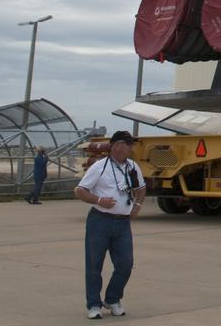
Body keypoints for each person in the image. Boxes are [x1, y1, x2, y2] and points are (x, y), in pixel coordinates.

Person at [76, 130, 146, 319]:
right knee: (94, 265)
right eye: (123, 144)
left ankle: (112, 299)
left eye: (129, 145)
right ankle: (93, 304)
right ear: (113, 146)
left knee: (125, 264)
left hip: (123, 224)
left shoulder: (132, 166)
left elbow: (141, 188)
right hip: (100, 221)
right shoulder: (100, 167)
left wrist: (137, 206)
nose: (127, 148)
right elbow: (80, 190)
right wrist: (99, 200)